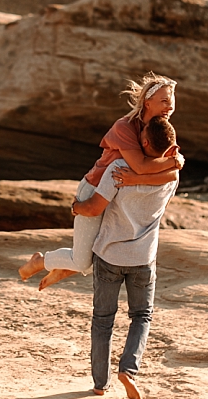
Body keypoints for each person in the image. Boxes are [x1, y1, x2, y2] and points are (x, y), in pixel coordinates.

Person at [19, 73, 181, 291]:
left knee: (108, 252)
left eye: (171, 102)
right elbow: (141, 165)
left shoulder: (161, 130)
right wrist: (170, 162)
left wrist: (169, 164)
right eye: (164, 101)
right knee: (83, 260)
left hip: (119, 196)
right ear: (147, 102)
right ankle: (41, 261)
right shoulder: (124, 127)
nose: (169, 107)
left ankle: (64, 269)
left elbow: (172, 174)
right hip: (96, 189)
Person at [84, 113, 179, 399]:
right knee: (141, 316)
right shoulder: (171, 175)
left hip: (110, 254)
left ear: (144, 141)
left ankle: (101, 384)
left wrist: (77, 207)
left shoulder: (119, 168)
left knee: (103, 319)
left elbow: (95, 207)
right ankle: (129, 369)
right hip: (143, 258)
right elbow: (170, 171)